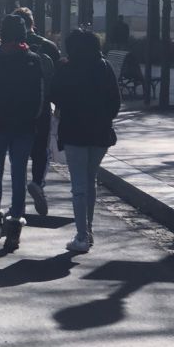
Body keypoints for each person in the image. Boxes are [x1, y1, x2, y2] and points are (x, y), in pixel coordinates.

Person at [0, 14, 44, 251]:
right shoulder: (33, 61)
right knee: (18, 174)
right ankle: (15, 225)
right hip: (24, 124)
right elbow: (40, 98)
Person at [51, 29, 121, 253]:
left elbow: (55, 95)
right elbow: (115, 102)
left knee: (79, 186)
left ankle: (82, 235)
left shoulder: (65, 67)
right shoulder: (104, 66)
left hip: (74, 131)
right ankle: (88, 231)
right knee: (90, 182)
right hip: (99, 132)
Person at [16, 7, 60, 217]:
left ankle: (18, 202)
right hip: (42, 106)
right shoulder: (48, 46)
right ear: (33, 22)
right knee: (41, 150)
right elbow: (60, 78)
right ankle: (37, 182)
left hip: (17, 109)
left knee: (18, 154)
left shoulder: (11, 46)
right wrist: (59, 105)